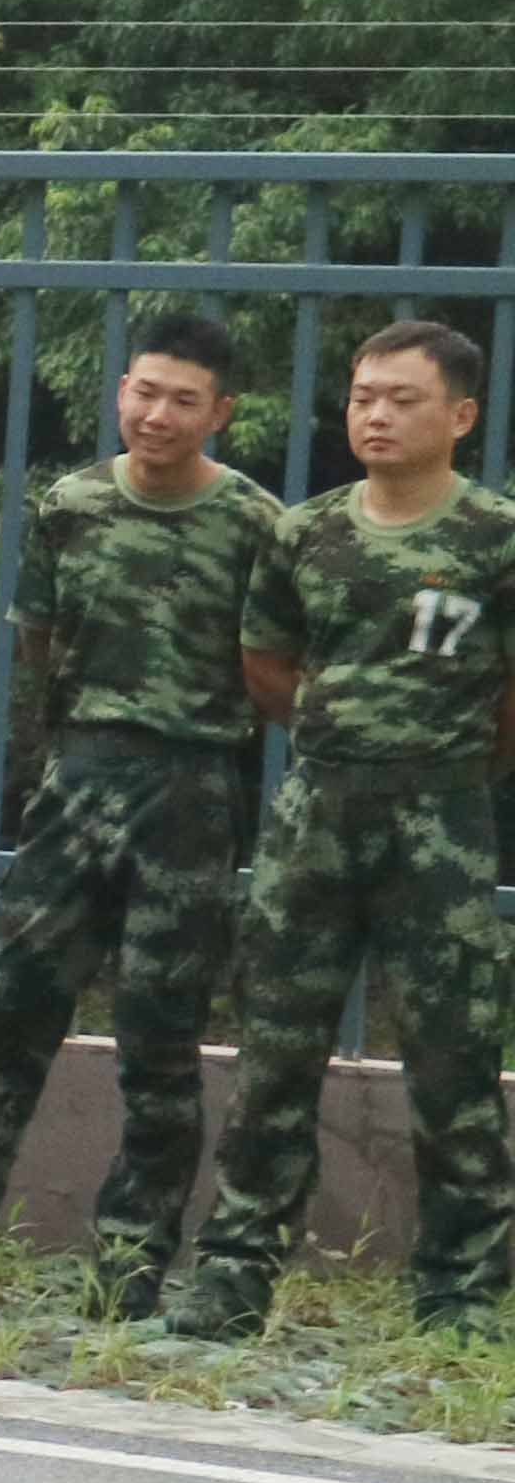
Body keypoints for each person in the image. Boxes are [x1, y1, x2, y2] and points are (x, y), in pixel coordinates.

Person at [0, 311, 281, 1315]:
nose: (156, 414)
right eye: (142, 391)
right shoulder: (72, 503)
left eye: (182, 399)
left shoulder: (256, 524)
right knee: (7, 1014)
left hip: (194, 792)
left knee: (161, 1035)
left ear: (220, 411)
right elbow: (41, 641)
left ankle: (132, 1253)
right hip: (78, 778)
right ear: (119, 390)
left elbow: (268, 668)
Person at [166, 321, 515, 1340]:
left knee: (455, 1058)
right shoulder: (304, 531)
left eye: (402, 399)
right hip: (315, 814)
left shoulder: (496, 539)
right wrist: (345, 736)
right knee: (275, 1051)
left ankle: (462, 1290)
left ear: (460, 415)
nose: (375, 414)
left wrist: (440, 755)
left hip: (443, 818)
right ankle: (232, 1273)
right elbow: (268, 669)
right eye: (363, 395)